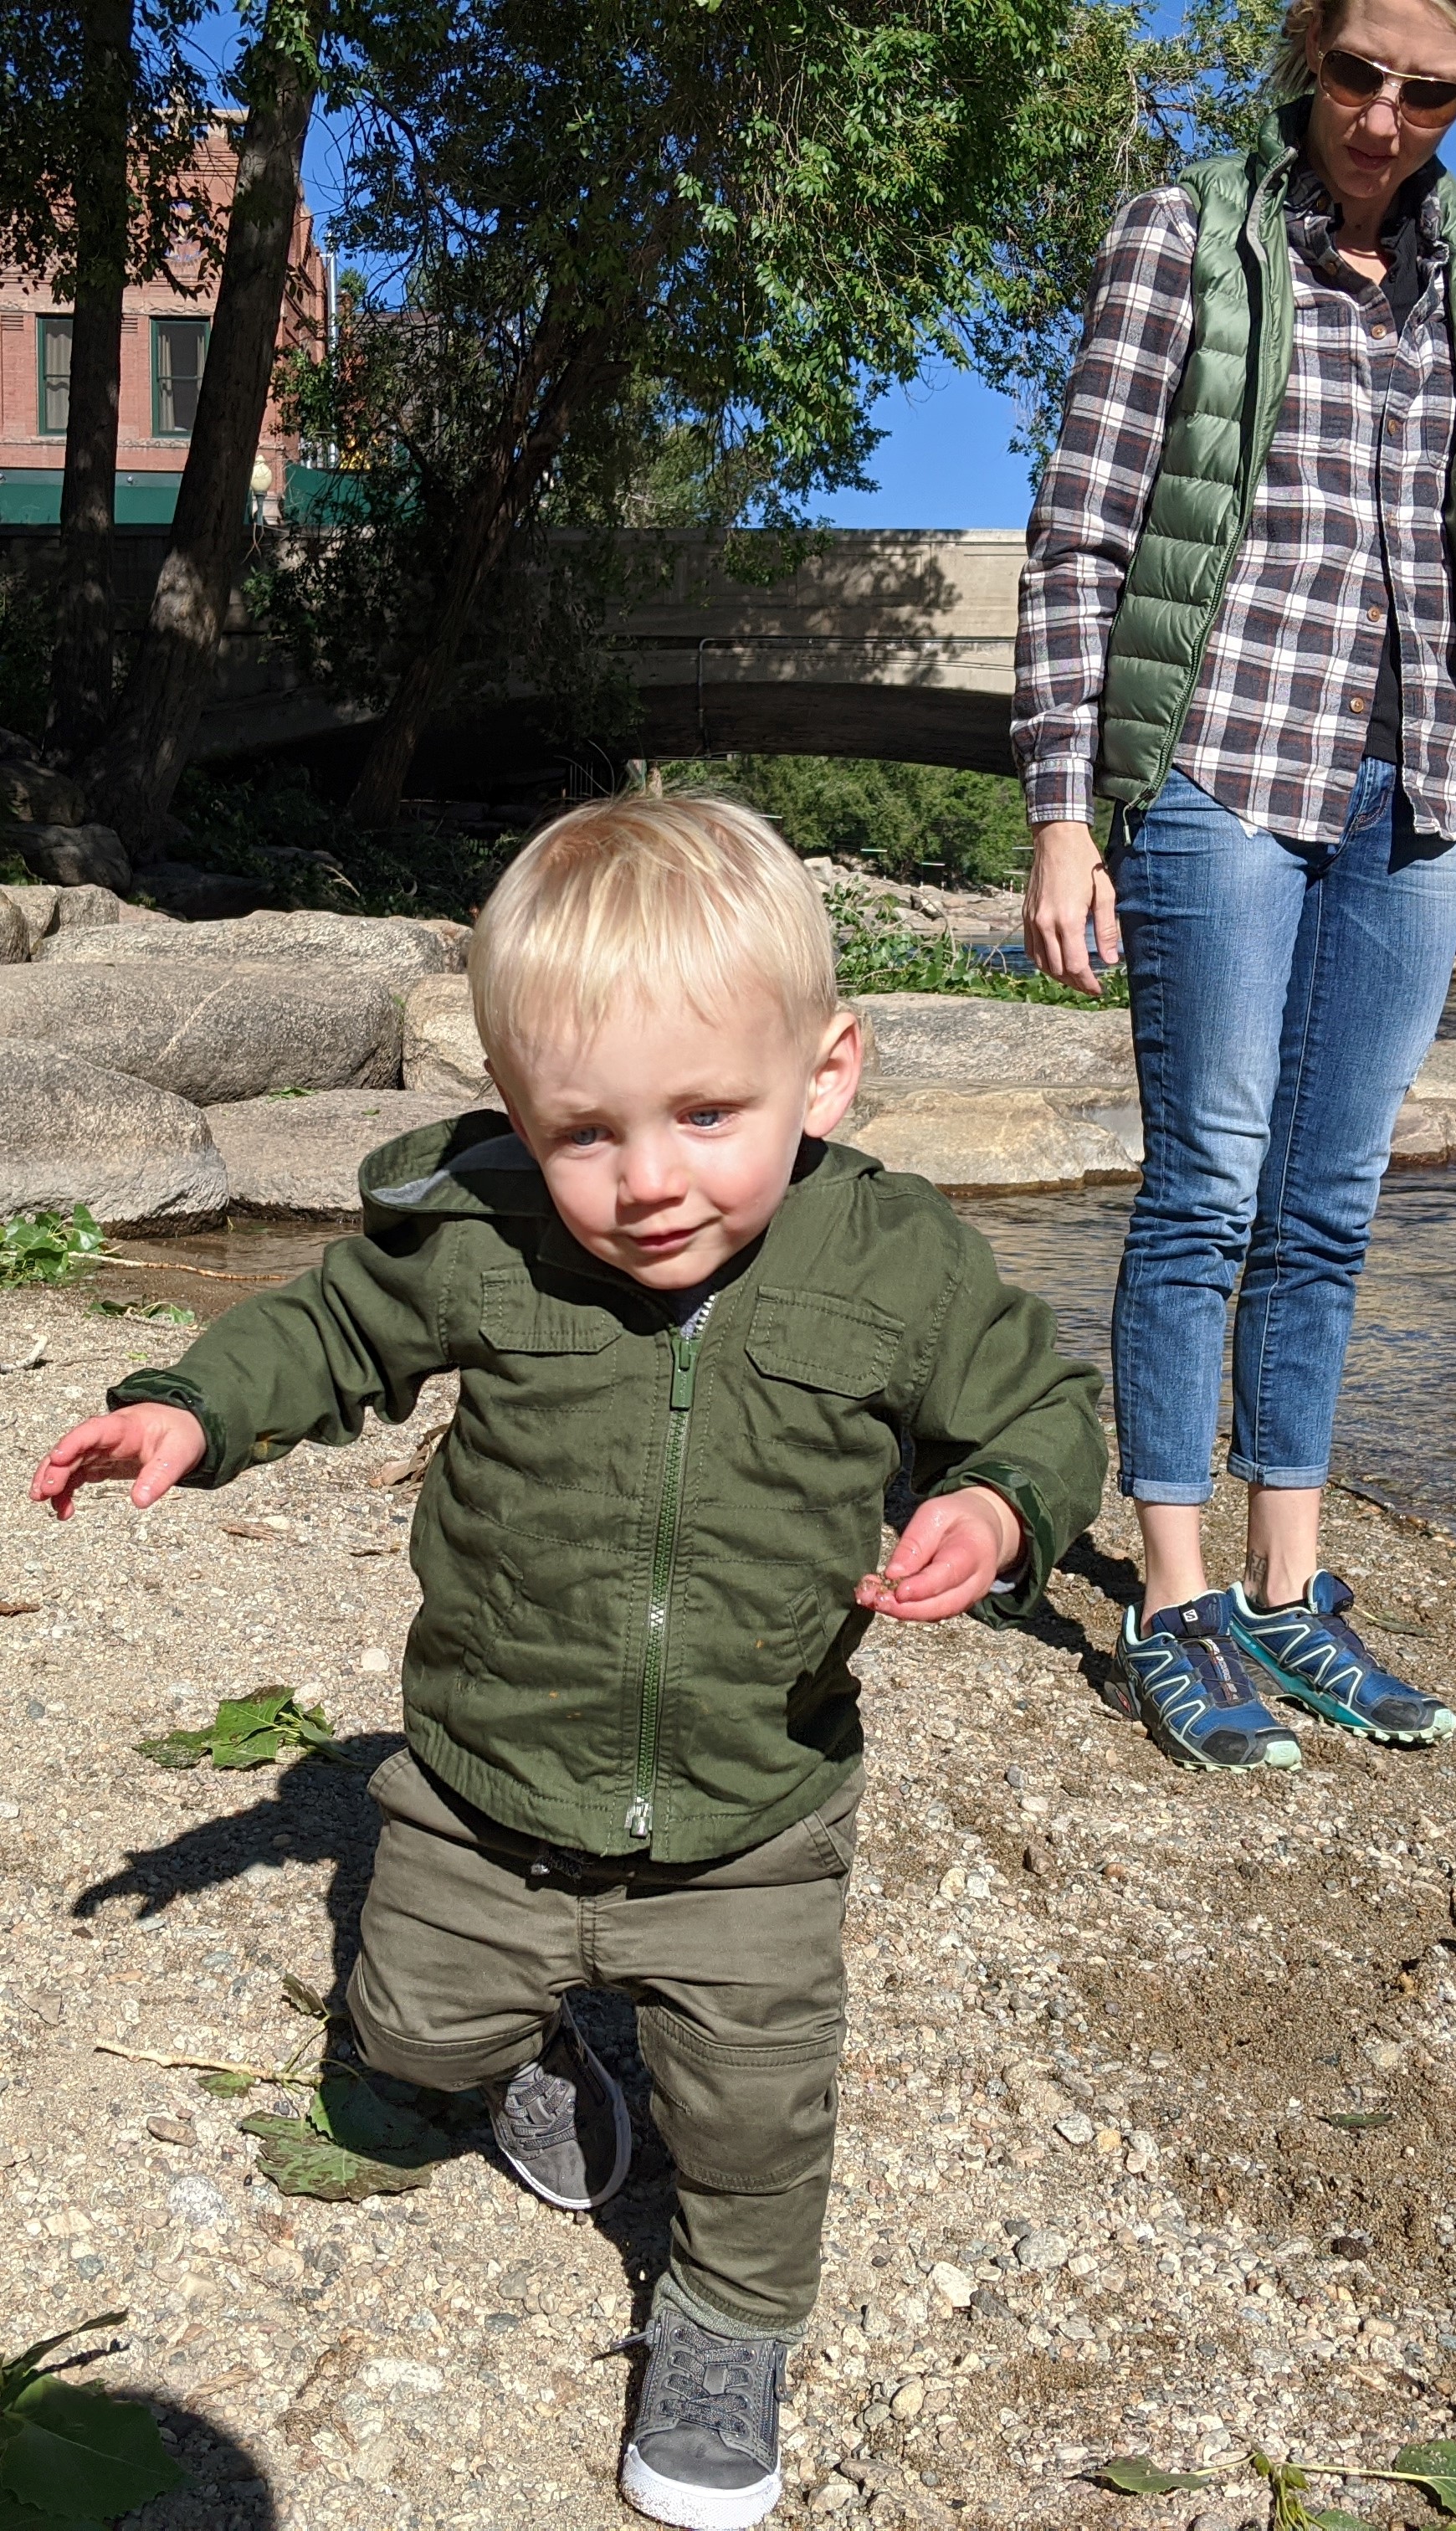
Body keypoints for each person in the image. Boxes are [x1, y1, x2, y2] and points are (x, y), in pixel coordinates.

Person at [32, 797, 1105, 2531]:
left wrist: (993, 1509)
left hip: (755, 1803)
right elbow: (330, 1326)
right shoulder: (494, 1231)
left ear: (825, 1076)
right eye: (584, 1132)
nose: (648, 1181)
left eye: (704, 1116)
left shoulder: (894, 1262)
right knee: (399, 2061)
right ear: (523, 1119)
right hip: (483, 1779)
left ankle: (728, 2321)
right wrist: (189, 1406)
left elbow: (1045, 1410)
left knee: (754, 2116)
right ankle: (527, 2048)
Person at [1013, 0, 1456, 1774]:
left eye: (1426, 90)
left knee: (1330, 1204)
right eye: (1355, 72)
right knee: (1204, 1183)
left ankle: (1292, 1588)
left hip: (1410, 780)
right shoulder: (1182, 234)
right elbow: (1084, 538)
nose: (1380, 114)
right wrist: (1067, 814)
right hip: (1217, 761)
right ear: (1308, 50)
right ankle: (1173, 1598)